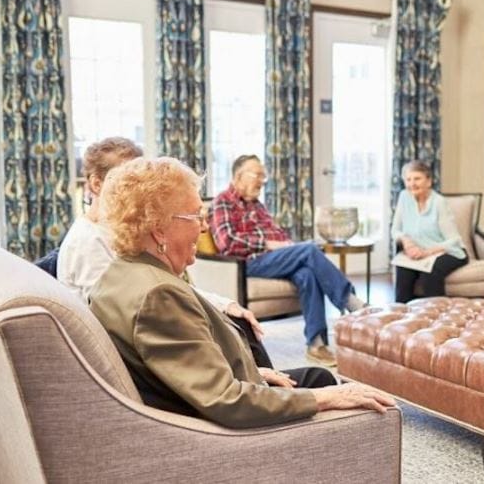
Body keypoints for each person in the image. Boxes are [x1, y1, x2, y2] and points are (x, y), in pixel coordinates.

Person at [89, 157, 394, 428]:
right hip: (224, 431)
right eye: (196, 216)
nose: (204, 228)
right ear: (158, 228)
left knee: (319, 371)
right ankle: (351, 305)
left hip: (203, 401)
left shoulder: (118, 274)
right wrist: (323, 399)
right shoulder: (160, 296)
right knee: (332, 390)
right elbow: (226, 401)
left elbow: (186, 370)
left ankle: (319, 337)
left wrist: (255, 373)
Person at [57, 138, 271, 368]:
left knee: (237, 322)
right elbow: (124, 316)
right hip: (131, 357)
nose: (139, 185)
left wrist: (223, 304)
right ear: (96, 184)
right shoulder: (88, 242)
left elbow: (166, 287)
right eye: (126, 178)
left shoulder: (121, 232)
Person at [211, 155, 366, 367]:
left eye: (263, 176)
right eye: (257, 175)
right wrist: (268, 244)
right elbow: (227, 242)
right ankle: (351, 302)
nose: (262, 181)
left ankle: (316, 344)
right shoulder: (222, 202)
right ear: (238, 176)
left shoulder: (257, 205)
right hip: (246, 263)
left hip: (273, 259)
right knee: (309, 250)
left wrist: (286, 246)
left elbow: (279, 234)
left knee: (307, 274)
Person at [390, 160, 468, 303]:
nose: (412, 184)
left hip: (449, 251)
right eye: (408, 179)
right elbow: (395, 230)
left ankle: (437, 312)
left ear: (429, 181)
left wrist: (427, 252)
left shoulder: (439, 202)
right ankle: (403, 313)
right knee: (403, 270)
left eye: (417, 179)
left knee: (430, 273)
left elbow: (454, 240)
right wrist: (406, 242)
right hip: (417, 251)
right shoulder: (404, 197)